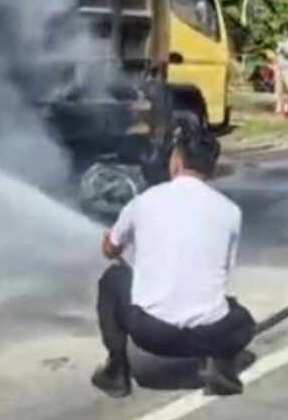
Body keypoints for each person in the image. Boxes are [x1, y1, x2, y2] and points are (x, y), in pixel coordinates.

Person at [93, 125, 255, 398]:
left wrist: (109, 243)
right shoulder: (231, 211)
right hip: (208, 336)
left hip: (152, 335)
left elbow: (111, 249)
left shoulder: (145, 201)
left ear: (176, 162)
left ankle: (117, 372)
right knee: (241, 318)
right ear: (210, 169)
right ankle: (220, 368)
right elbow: (223, 274)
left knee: (113, 279)